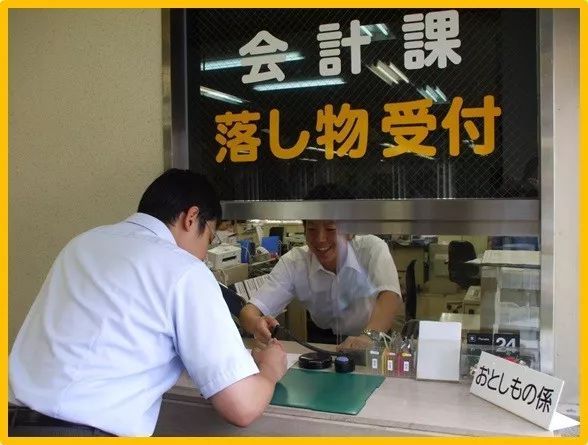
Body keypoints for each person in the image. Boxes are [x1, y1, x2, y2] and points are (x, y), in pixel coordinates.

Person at [9, 169, 287, 437]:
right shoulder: (184, 268)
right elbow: (242, 406)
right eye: (209, 238)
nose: (204, 254)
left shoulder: (81, 245)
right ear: (192, 218)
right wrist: (269, 371)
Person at [239, 184, 402, 351]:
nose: (320, 239)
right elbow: (249, 312)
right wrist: (256, 324)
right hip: (323, 340)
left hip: (372, 333)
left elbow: (390, 296)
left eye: (331, 229)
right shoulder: (294, 262)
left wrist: (369, 336)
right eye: (312, 229)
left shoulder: (372, 249)